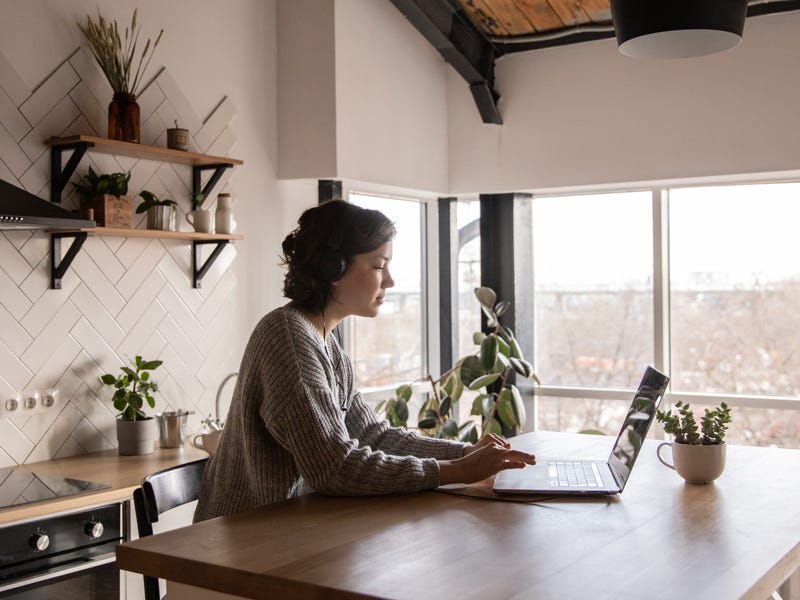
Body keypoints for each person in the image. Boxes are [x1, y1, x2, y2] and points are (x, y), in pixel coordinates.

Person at [194, 200, 536, 521]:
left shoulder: (324, 343)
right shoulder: (289, 340)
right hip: (235, 547)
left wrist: (464, 453)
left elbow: (372, 435)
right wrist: (457, 471)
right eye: (378, 266)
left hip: (286, 530)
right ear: (333, 269)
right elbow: (334, 467)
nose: (390, 280)